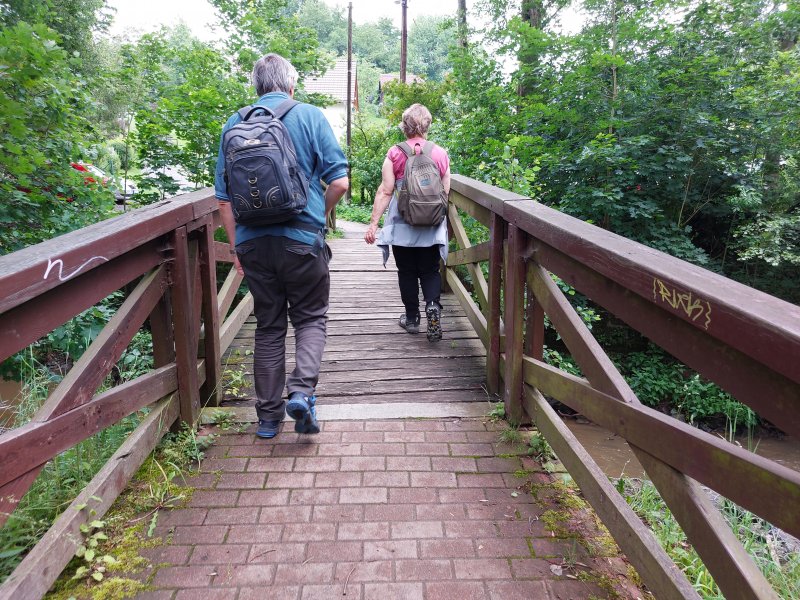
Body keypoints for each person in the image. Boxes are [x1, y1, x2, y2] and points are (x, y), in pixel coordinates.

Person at [215, 53, 349, 439]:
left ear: (256, 87)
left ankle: (268, 419)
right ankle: (302, 393)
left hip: (255, 244)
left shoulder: (234, 124)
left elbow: (224, 200)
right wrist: (317, 217)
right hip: (302, 241)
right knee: (309, 317)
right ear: (292, 85)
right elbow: (339, 183)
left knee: (269, 327)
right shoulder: (310, 115)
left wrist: (238, 247)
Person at [364, 103, 451, 342]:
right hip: (431, 225)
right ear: (427, 126)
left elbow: (385, 191)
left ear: (405, 126)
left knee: (407, 271)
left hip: (401, 224)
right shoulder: (439, 153)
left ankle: (412, 318)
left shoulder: (395, 153)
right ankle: (433, 306)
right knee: (430, 270)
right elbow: (445, 192)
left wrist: (373, 224)